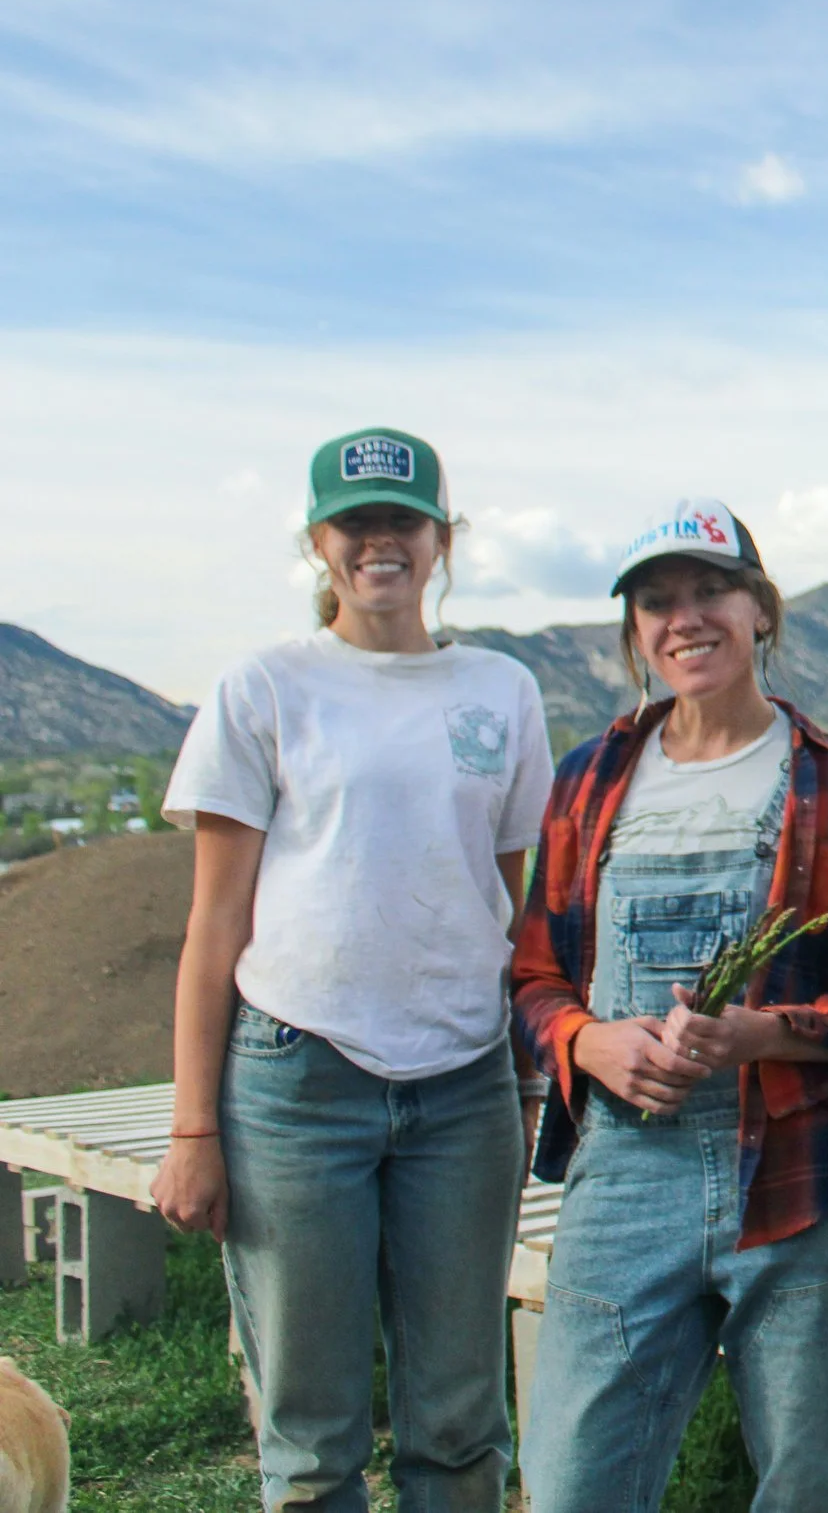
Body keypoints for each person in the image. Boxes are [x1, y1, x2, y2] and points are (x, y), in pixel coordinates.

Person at [152, 428, 553, 1512]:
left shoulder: (501, 691)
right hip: (297, 1077)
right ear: (317, 541)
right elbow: (215, 921)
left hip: (464, 1084)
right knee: (314, 1424)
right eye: (355, 523)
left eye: (404, 521)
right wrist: (195, 1130)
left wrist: (521, 1077)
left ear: (442, 538)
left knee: (461, 1416)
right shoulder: (266, 688)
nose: (381, 541)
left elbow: (503, 902)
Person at [510, 498, 828, 1512]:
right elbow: (533, 974)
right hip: (628, 1170)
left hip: (799, 1173)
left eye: (710, 590)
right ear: (635, 629)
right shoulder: (590, 778)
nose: (686, 618)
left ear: (760, 609)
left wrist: (769, 1032)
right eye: (656, 600)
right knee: (575, 1479)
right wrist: (589, 1044)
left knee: (810, 1482)